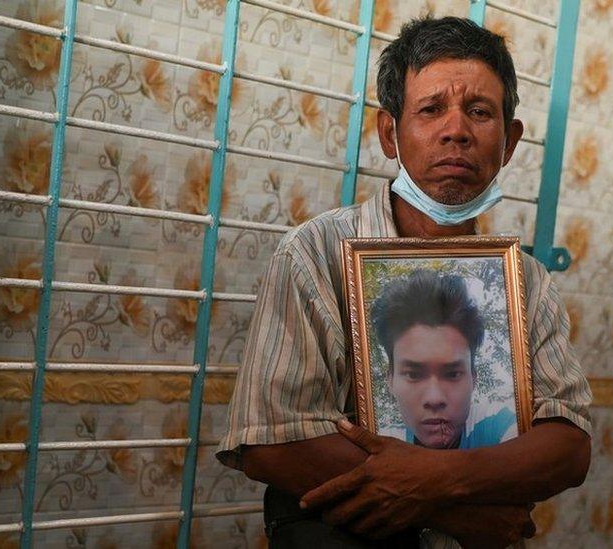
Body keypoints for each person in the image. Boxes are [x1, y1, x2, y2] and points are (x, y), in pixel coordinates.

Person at [217, 16, 592, 549]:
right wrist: (458, 513)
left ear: (508, 142)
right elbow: (270, 442)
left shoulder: (524, 281)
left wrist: (435, 484)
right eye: (432, 108)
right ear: (390, 133)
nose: (457, 129)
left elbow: (569, 446)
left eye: (480, 112)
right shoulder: (315, 252)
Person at [371, 269, 516, 449]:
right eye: (413, 375)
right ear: (390, 380)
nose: (434, 398)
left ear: (474, 377)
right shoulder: (382, 441)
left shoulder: (501, 426)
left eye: (453, 374)